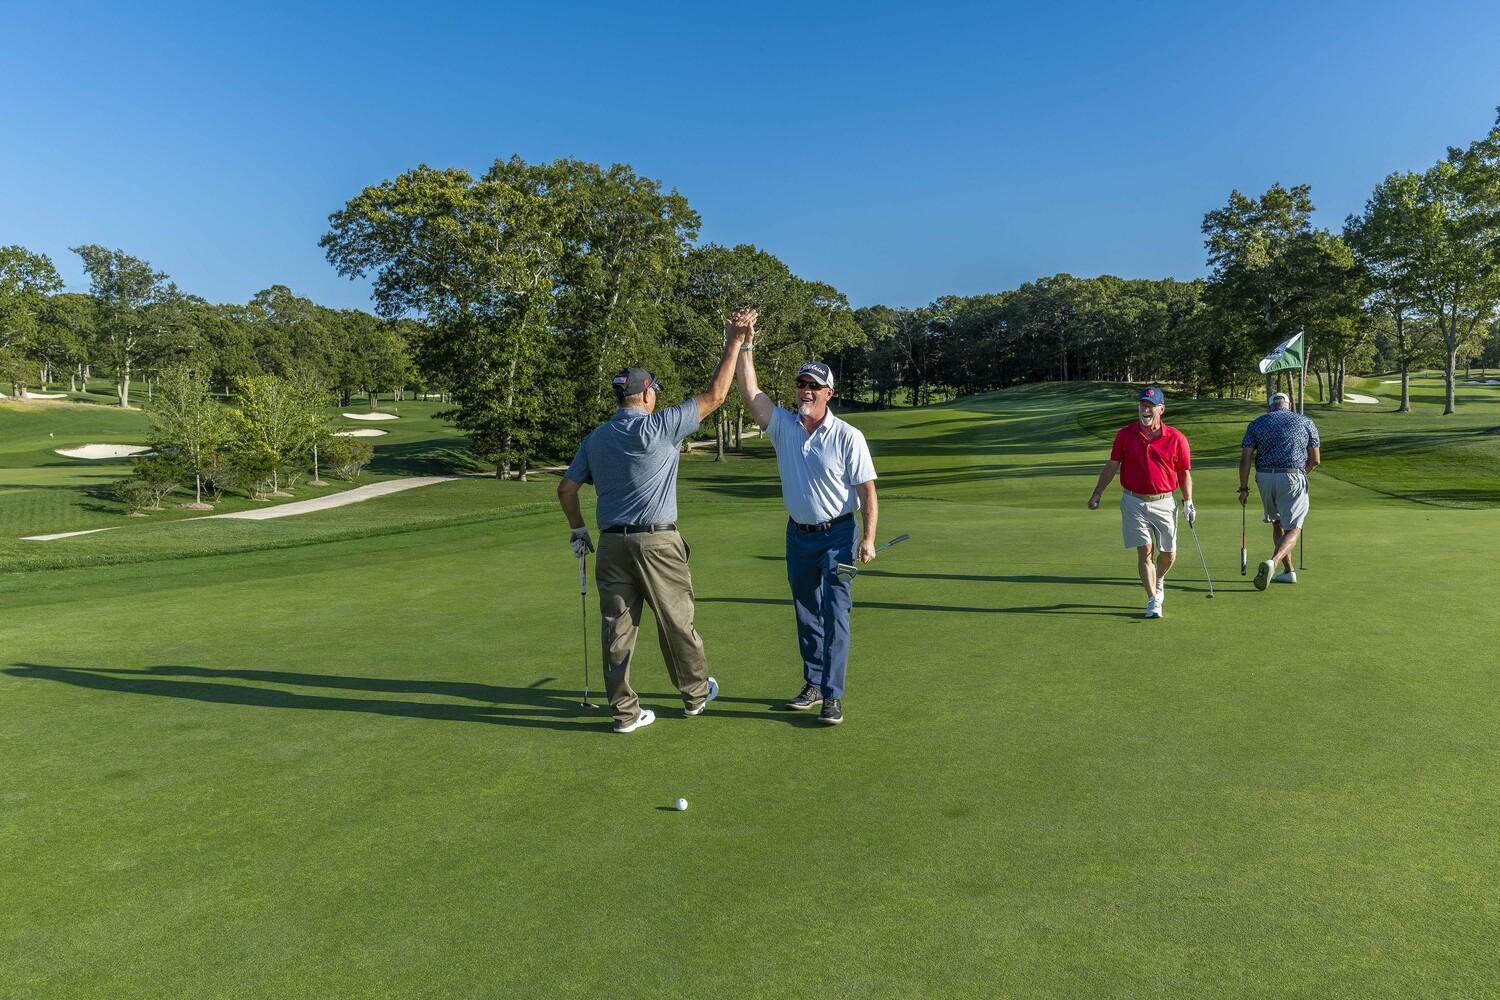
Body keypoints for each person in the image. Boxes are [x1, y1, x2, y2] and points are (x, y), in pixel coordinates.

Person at [556, 309, 754, 733]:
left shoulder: (595, 438)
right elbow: (716, 396)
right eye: (654, 394)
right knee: (676, 620)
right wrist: (736, 341)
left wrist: (578, 531)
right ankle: (695, 695)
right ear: (645, 396)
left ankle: (625, 714)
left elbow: (566, 490)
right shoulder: (660, 427)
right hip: (657, 543)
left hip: (610, 545)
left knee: (618, 631)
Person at [737, 325, 878, 726]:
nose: (805, 391)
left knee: (837, 612)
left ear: (828, 393)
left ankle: (832, 695)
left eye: (813, 386)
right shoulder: (783, 425)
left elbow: (867, 492)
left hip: (838, 535)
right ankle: (813, 683)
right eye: (801, 384)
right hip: (797, 535)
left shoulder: (849, 437)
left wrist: (867, 538)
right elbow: (751, 394)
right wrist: (745, 345)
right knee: (806, 613)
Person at [1086, 386, 1195, 619]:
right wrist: (1097, 493)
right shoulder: (1125, 434)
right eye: (1142, 405)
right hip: (1133, 500)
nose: (1145, 410)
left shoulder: (1176, 438)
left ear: (1161, 409)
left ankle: (1160, 579)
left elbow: (1183, 473)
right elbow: (1112, 465)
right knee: (1145, 551)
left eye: (1150, 406)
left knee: (1168, 554)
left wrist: (1188, 502)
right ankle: (1153, 599)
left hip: (1165, 502)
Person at [1239, 391, 1321, 591]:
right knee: (1294, 528)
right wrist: (1301, 476)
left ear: (1269, 407)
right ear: (1289, 405)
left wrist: (1243, 488)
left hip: (1265, 477)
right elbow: (1315, 460)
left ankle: (1289, 571)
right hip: (1293, 475)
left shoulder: (1257, 423)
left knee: (1277, 522)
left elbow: (1245, 458)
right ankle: (1273, 563)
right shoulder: (1306, 421)